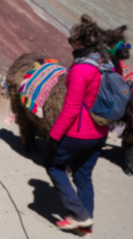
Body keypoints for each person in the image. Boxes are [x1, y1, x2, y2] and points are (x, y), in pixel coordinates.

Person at [46, 15, 113, 233]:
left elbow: (71, 108)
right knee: (83, 175)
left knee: (54, 166)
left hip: (79, 132)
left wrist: (55, 136)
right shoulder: (106, 65)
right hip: (100, 131)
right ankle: (86, 223)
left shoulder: (81, 70)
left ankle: (78, 214)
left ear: (79, 43)